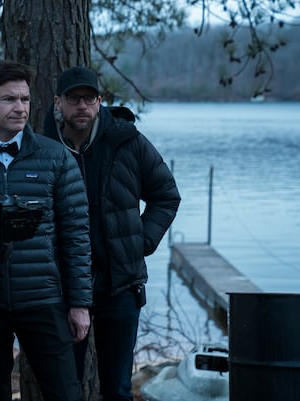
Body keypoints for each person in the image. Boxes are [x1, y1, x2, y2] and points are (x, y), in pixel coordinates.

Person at [0, 60, 93, 401]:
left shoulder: (57, 158)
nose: (20, 108)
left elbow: (76, 236)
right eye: (9, 99)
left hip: (44, 300)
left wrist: (79, 304)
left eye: (25, 99)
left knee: (65, 392)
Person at [43, 66, 181, 401]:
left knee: (117, 389)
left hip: (119, 285)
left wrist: (142, 242)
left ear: (100, 101)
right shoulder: (42, 147)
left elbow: (166, 195)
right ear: (58, 102)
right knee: (63, 389)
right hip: (60, 288)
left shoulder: (127, 141)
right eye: (74, 99)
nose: (82, 106)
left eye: (89, 99)